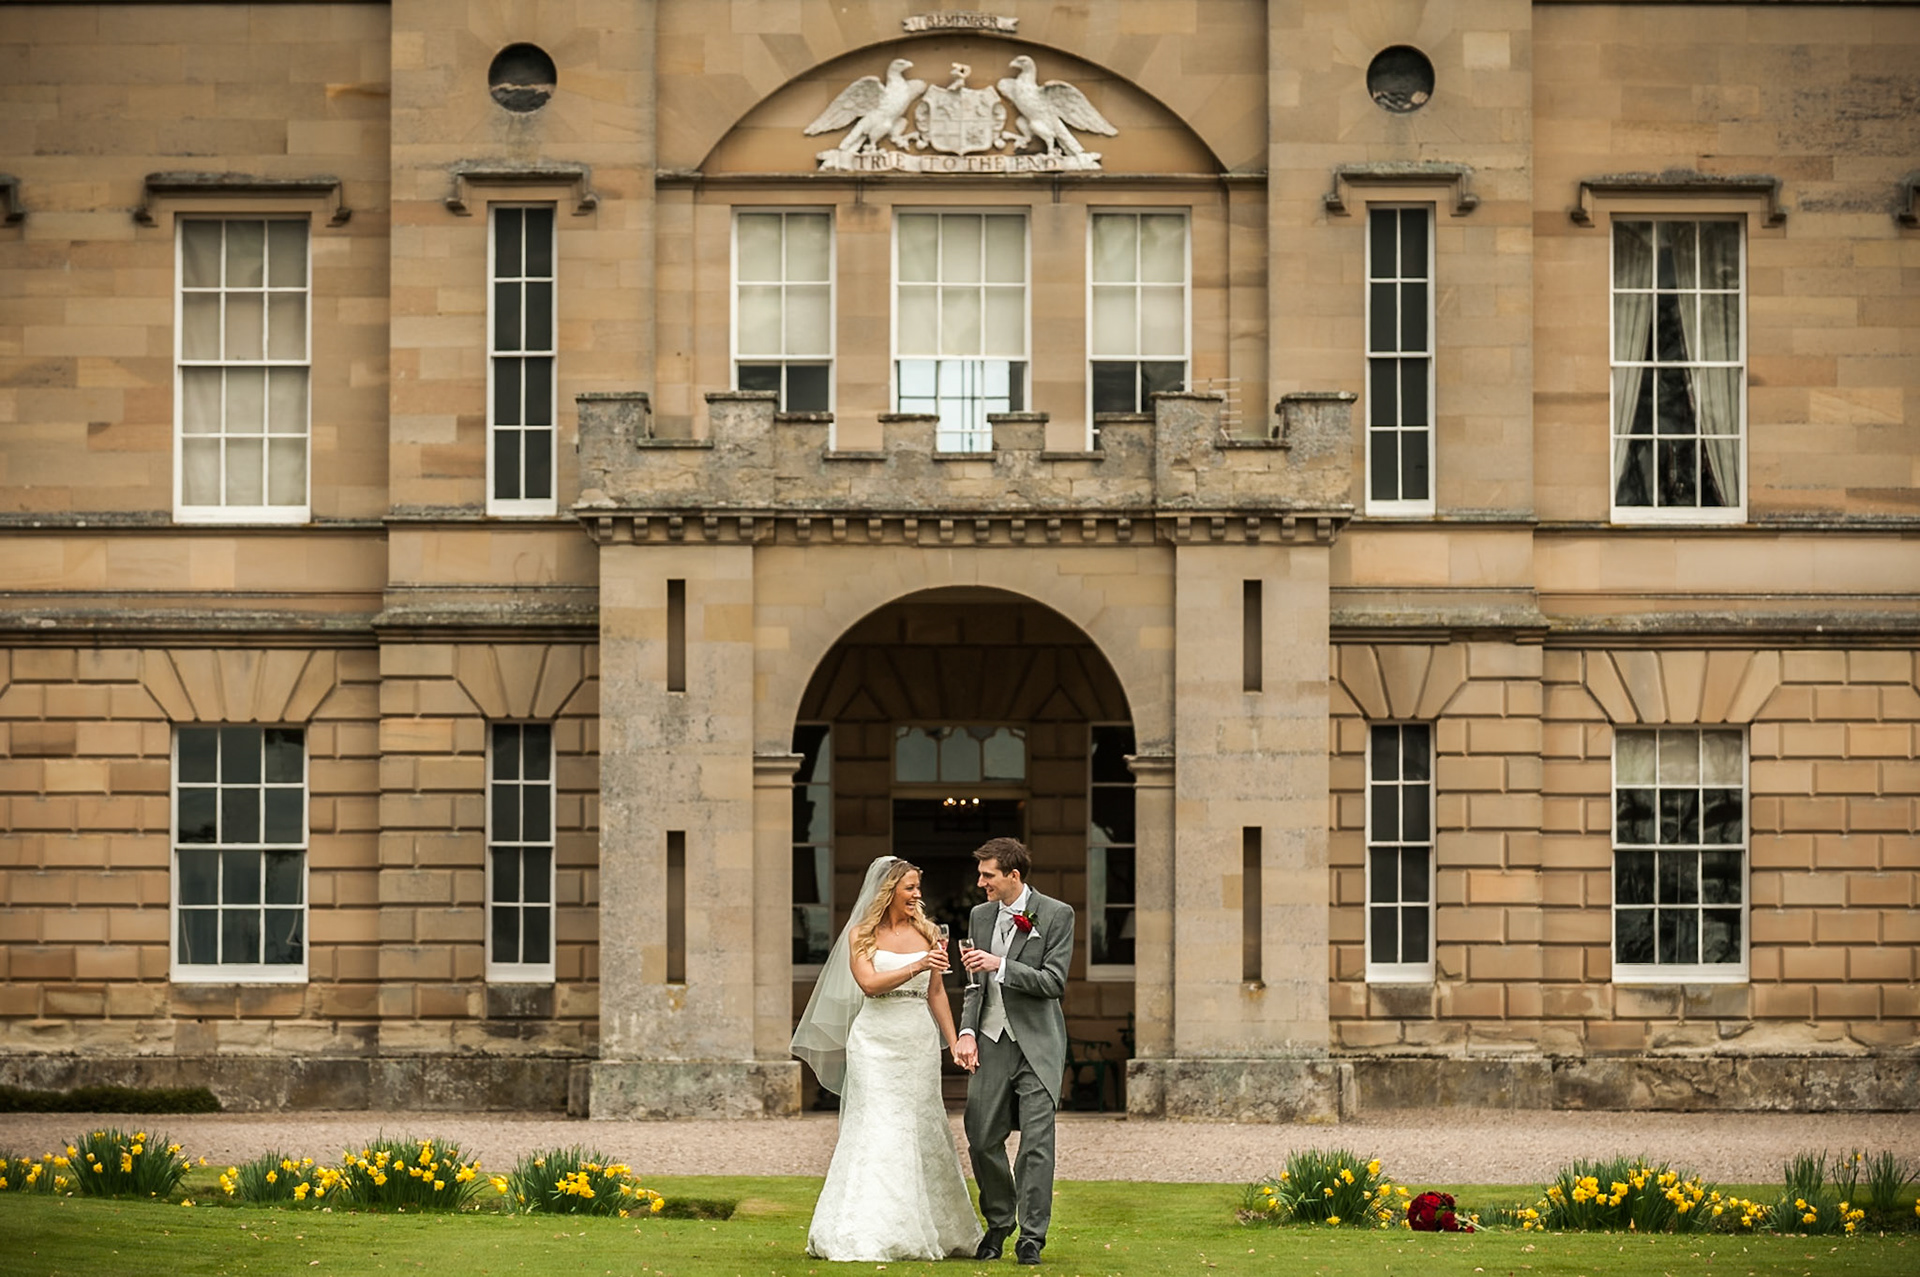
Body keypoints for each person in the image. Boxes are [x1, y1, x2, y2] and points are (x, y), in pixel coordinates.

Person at [792, 856, 983, 1262]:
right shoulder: (861, 934)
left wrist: (953, 1043)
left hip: (917, 1041)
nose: (917, 895)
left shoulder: (929, 932)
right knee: (877, 1126)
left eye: (918, 887)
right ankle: (867, 1229)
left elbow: (935, 993)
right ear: (888, 890)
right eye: (909, 888)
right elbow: (869, 984)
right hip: (874, 1042)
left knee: (923, 1125)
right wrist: (919, 963)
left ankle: (937, 1227)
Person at [954, 837, 1074, 1266]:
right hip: (990, 1041)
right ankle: (1000, 1221)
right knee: (982, 1137)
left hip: (1038, 1046)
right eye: (980, 874)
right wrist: (967, 1031)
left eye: (988, 875)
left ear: (1013, 875)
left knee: (1036, 1145)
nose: (980, 882)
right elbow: (974, 983)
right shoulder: (980, 915)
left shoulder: (1057, 914)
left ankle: (1031, 1238)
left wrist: (1001, 965)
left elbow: (1054, 982)